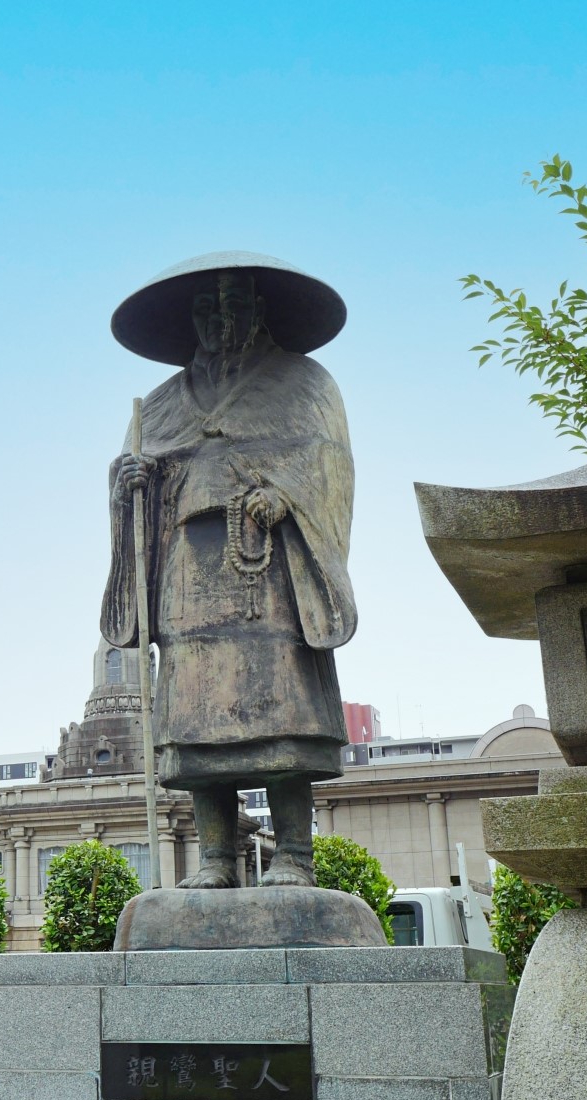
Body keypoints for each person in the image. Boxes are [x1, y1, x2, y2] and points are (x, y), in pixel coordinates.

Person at [103, 252, 356, 889]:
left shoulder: (305, 384)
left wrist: (290, 496)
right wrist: (128, 483)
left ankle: (295, 853)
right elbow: (143, 475)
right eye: (207, 309)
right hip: (188, 574)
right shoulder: (159, 405)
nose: (220, 319)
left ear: (259, 310)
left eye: (233, 304)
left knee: (281, 708)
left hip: (268, 568)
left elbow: (328, 464)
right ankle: (217, 858)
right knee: (196, 719)